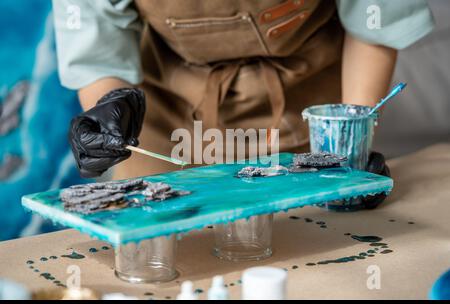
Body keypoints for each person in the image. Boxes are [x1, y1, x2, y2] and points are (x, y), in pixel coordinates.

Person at [52, 0, 434, 208]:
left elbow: (374, 17)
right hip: (166, 115)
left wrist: (353, 142)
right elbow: (96, 37)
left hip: (307, 109)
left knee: (308, 250)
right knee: (164, 248)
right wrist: (109, 112)